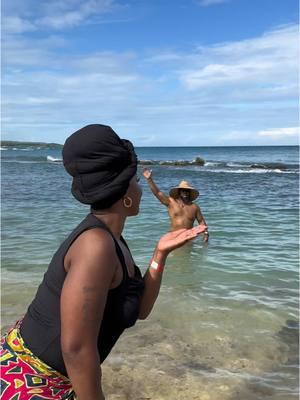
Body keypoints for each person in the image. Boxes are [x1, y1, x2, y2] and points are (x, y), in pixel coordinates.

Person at [0, 124, 207, 400]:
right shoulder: (96, 245)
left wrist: (160, 254)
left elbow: (140, 309)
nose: (140, 189)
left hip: (56, 378)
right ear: (125, 195)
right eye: (134, 181)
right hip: (30, 380)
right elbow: (76, 349)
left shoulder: (114, 241)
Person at [143, 168, 209, 242]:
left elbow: (201, 221)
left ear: (190, 192)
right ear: (179, 192)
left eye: (187, 190)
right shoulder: (171, 202)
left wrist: (206, 234)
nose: (185, 192)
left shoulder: (194, 207)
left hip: (188, 239)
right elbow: (157, 193)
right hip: (174, 238)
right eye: (183, 190)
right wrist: (149, 180)